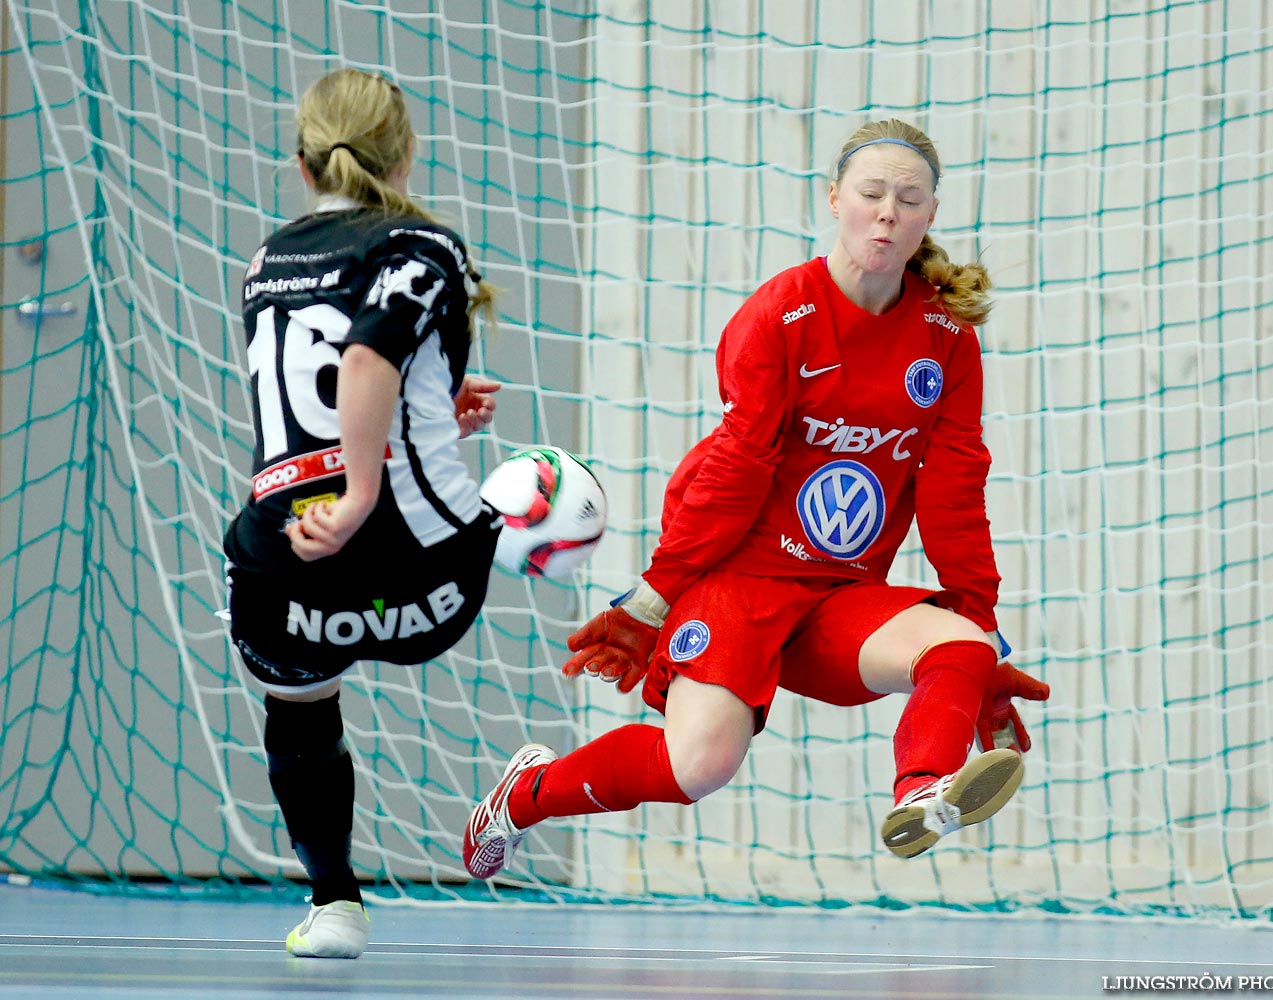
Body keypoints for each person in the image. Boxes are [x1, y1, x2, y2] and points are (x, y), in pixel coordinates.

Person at [461, 119, 1050, 883]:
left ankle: (922, 794)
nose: (886, 213)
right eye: (870, 194)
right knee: (698, 767)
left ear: (929, 215)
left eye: (907, 200)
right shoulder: (779, 316)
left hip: (839, 592)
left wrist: (980, 635)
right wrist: (654, 597)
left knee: (961, 645)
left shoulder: (945, 337)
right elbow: (735, 471)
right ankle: (523, 797)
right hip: (736, 578)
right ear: (834, 199)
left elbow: (954, 493)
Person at [224, 67, 503, 958]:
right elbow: (365, 364)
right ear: (407, 153)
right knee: (546, 488)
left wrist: (433, 410)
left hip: (284, 565)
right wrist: (359, 495)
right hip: (417, 572)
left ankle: (335, 901)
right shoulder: (424, 243)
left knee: (299, 709)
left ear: (304, 165)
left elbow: (315, 393)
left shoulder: (267, 260)